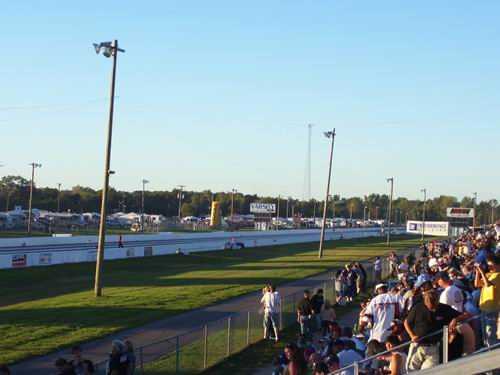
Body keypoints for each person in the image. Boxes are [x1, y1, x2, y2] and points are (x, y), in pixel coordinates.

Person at [404, 289, 469, 370]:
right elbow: (406, 322)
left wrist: (455, 319)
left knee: (430, 371)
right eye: (429, 305)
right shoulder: (417, 308)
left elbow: (466, 315)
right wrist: (412, 335)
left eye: (434, 305)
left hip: (434, 348)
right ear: (425, 301)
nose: (433, 308)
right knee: (410, 370)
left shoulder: (444, 308)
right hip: (417, 346)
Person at [474, 253, 500, 346]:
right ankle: (488, 349)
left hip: (492, 308)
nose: (489, 267)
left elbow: (488, 285)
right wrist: (477, 272)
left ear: (497, 265)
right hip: (483, 308)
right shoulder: (489, 274)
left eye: (490, 264)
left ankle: (493, 351)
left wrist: (481, 272)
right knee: (485, 335)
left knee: (491, 333)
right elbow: (477, 284)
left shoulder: (498, 275)